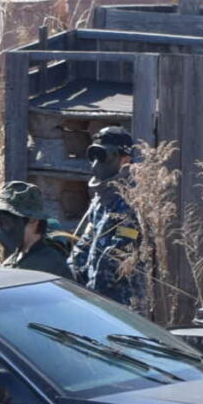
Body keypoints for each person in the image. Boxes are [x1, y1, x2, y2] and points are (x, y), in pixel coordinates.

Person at [72, 127, 144, 306]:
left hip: (121, 303)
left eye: (103, 156)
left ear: (125, 160)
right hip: (95, 298)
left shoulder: (132, 201)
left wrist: (93, 295)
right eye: (94, 156)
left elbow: (117, 256)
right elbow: (86, 242)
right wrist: (71, 272)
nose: (97, 163)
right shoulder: (101, 198)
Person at [0, 181, 74, 276]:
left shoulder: (51, 266)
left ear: (33, 219)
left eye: (8, 221)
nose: (4, 228)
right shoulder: (12, 261)